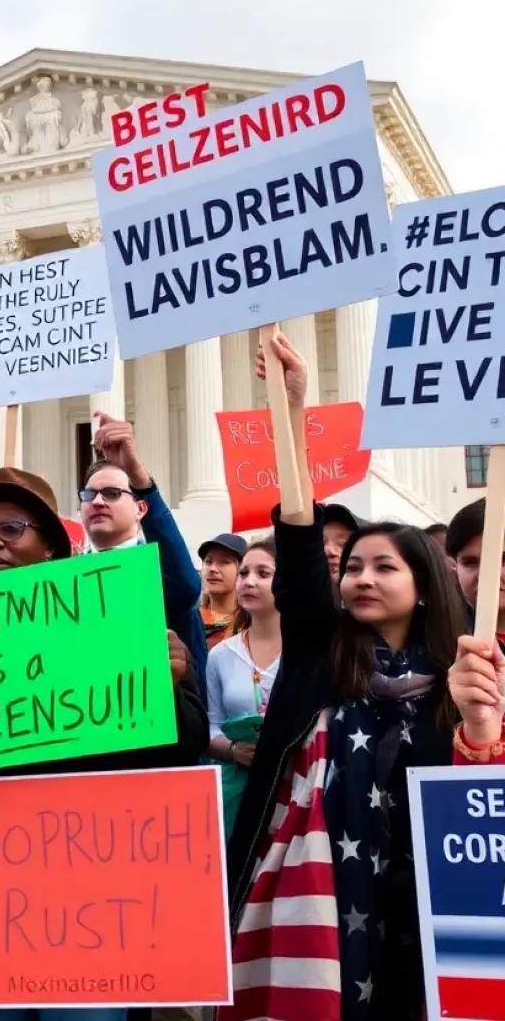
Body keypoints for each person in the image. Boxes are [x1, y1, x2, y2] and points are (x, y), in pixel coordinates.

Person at [223, 331, 465, 1021]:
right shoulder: (319, 653)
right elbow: (299, 541)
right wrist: (289, 416)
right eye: (353, 565)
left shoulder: (458, 678)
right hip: (323, 899)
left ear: (424, 586)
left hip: (421, 903)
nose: (361, 577)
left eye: (383, 567)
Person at [0, 466, 209, 1021]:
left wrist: (168, 689)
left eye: (12, 528)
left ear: (51, 549)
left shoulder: (116, 625)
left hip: (89, 896)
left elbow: (186, 747)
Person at [82, 412, 209, 679]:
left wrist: (138, 477)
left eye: (112, 494)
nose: (97, 502)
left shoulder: (160, 574)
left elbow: (185, 586)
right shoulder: (63, 582)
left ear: (141, 509)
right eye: (90, 494)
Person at [206, 538, 280, 836]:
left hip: (294, 791)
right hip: (237, 796)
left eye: (263, 574)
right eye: (244, 573)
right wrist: (235, 750)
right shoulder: (221, 655)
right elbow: (211, 727)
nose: (249, 582)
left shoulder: (309, 655)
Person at [446, 498, 505, 642]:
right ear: (455, 568)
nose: (485, 575)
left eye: (503, 560)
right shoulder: (437, 644)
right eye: (470, 562)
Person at [199, 533, 247, 648]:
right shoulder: (191, 620)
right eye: (208, 561)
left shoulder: (251, 624)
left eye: (225, 562)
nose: (213, 569)